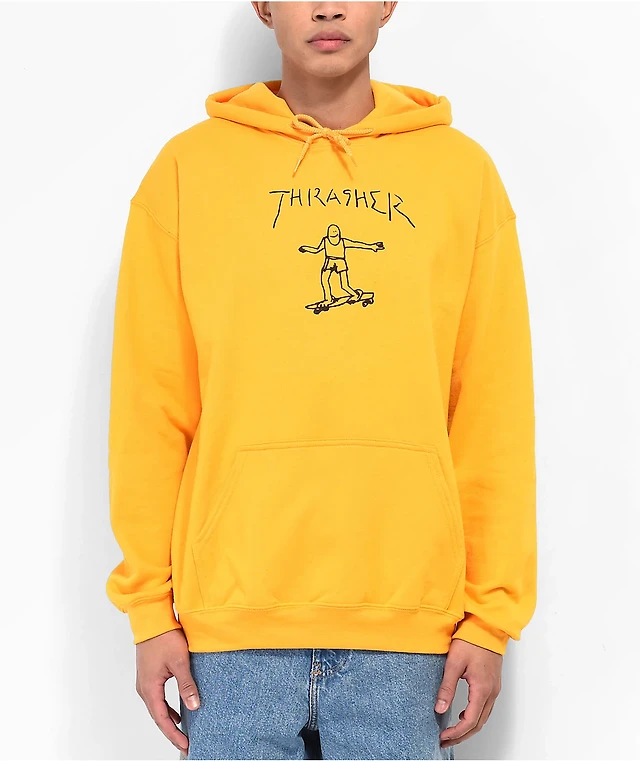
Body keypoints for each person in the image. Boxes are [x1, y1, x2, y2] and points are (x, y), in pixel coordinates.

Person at [105, 2, 537, 759]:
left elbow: (491, 407)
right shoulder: (188, 171)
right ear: (264, 5)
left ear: (388, 4)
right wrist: (148, 609)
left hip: (409, 630)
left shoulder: (461, 174)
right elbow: (151, 402)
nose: (329, 7)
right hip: (229, 630)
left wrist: (490, 616)